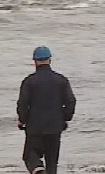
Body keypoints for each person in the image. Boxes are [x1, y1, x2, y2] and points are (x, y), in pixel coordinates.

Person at [17, 46, 77, 174]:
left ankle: (38, 170)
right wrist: (65, 118)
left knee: (29, 156)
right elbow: (71, 101)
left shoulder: (29, 81)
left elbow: (23, 103)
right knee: (52, 162)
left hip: (35, 127)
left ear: (35, 62)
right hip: (55, 127)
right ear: (50, 60)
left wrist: (22, 120)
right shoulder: (61, 80)